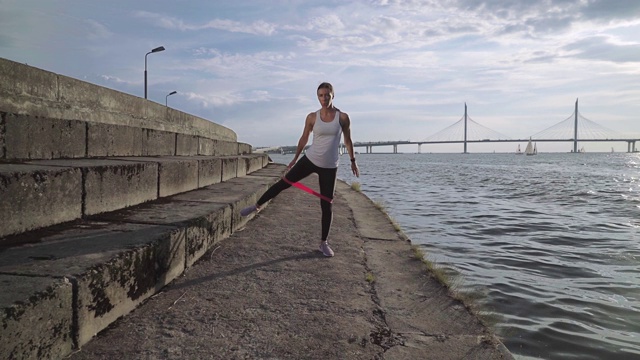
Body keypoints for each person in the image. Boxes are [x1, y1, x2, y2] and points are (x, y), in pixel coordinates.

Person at [240, 82, 360, 257]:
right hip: (310, 159)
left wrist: (353, 161)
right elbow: (304, 138)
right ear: (317, 97)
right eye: (320, 95)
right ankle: (256, 206)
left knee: (326, 204)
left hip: (329, 166)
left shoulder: (343, 118)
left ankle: (323, 243)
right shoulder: (312, 117)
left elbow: (348, 140)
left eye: (327, 95)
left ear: (333, 95)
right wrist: (295, 158)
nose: (324, 98)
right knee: (283, 183)